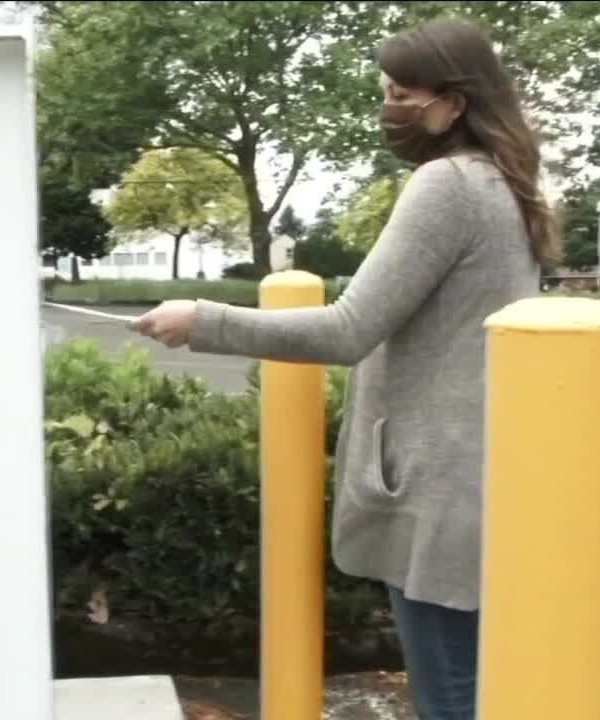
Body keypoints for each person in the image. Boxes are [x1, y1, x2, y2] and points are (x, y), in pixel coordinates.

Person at [131, 18, 561, 720]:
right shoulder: (503, 183)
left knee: (451, 697)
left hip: (439, 492)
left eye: (402, 93)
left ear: (454, 103)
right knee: (476, 689)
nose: (389, 108)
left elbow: (348, 327)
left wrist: (203, 321)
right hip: (476, 482)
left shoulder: (449, 184)